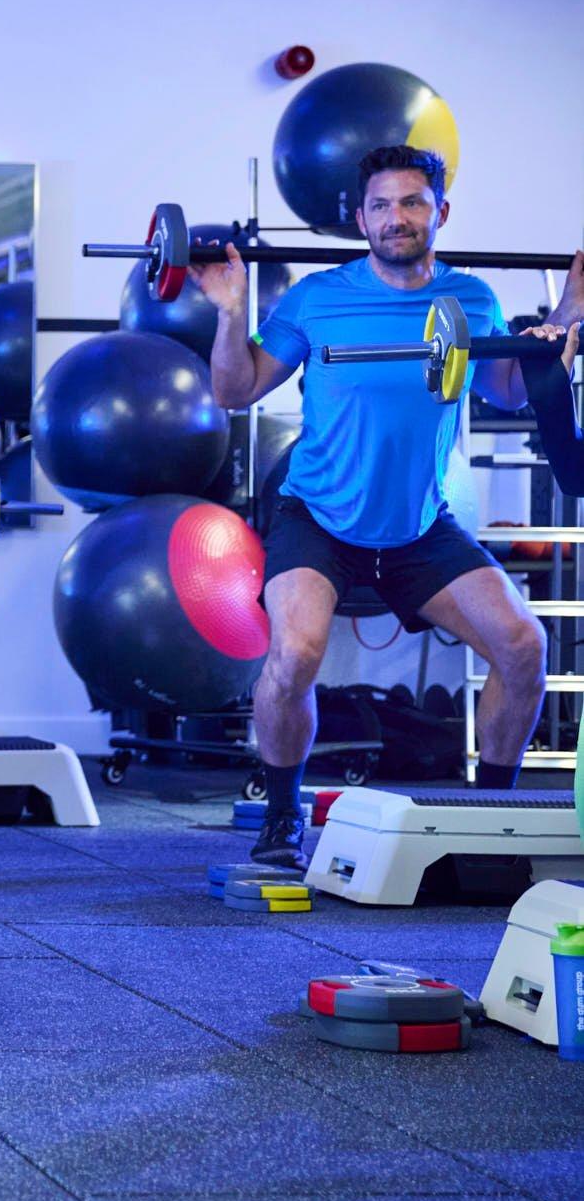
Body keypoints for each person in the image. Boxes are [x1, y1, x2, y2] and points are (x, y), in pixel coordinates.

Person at [206, 143, 583, 866]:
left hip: (418, 526)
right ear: (359, 218)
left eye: (412, 202)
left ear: (440, 212)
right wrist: (230, 312)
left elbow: (506, 390)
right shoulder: (318, 298)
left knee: (524, 647)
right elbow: (234, 390)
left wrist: (565, 315)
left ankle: (490, 817)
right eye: (380, 205)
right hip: (318, 517)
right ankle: (283, 813)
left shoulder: (471, 300)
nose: (396, 218)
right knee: (294, 655)